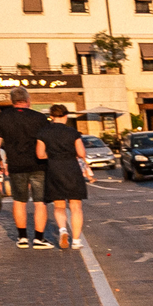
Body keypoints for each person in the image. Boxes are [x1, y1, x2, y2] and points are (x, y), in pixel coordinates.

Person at [0, 87, 52, 249]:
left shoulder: (2, 117)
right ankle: (39, 239)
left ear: (12, 101)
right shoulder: (40, 118)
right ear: (28, 100)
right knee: (39, 202)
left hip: (15, 165)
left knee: (19, 201)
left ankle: (22, 238)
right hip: (38, 164)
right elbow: (47, 141)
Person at [38, 103, 91, 250]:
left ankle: (62, 230)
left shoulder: (44, 132)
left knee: (59, 206)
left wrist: (53, 155)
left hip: (54, 169)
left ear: (51, 117)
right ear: (66, 116)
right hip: (71, 169)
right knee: (76, 207)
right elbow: (81, 153)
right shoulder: (72, 132)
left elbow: (40, 154)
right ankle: (76, 241)